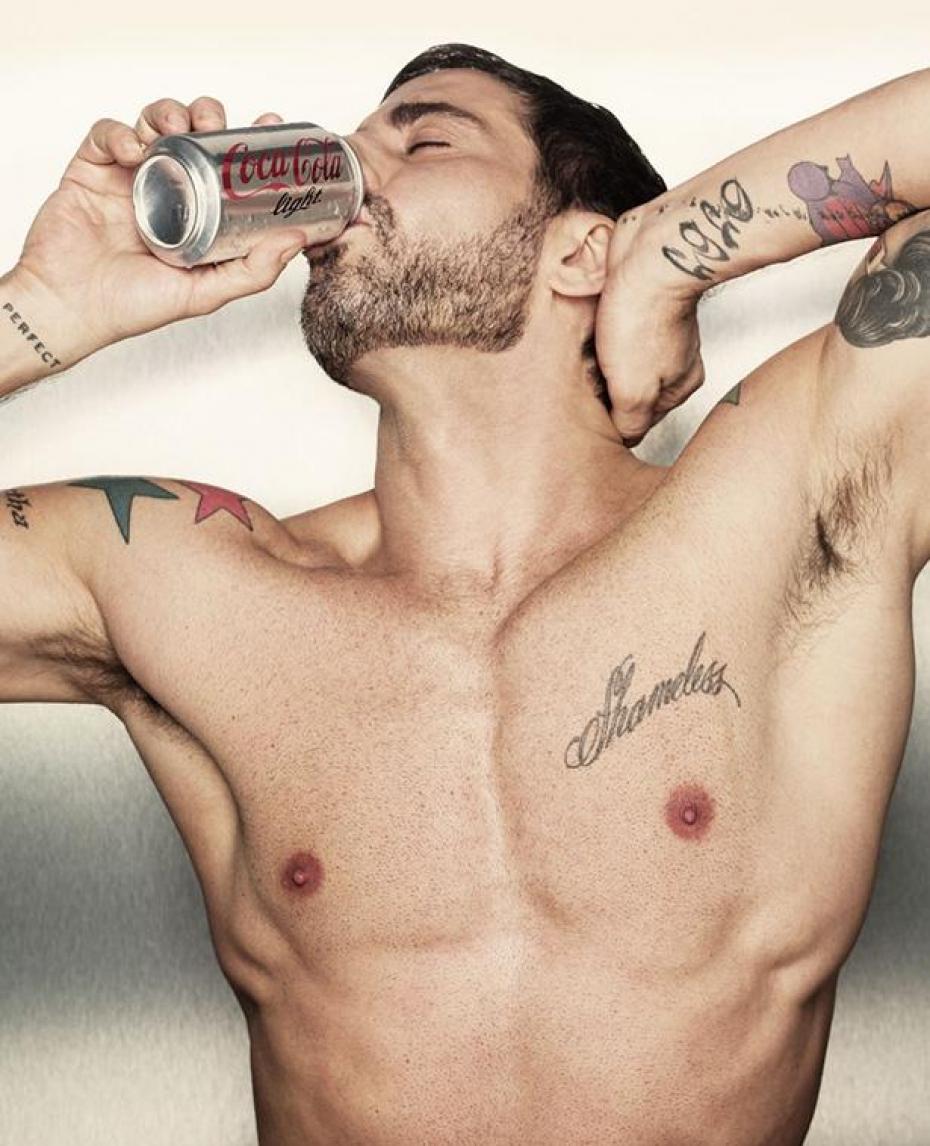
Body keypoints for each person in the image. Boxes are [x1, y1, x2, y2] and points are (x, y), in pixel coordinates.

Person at [1, 40, 928, 1146]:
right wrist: (46, 310)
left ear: (580, 247)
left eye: (424, 139)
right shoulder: (187, 579)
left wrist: (673, 248)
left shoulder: (787, 496)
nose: (349, 173)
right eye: (348, 148)